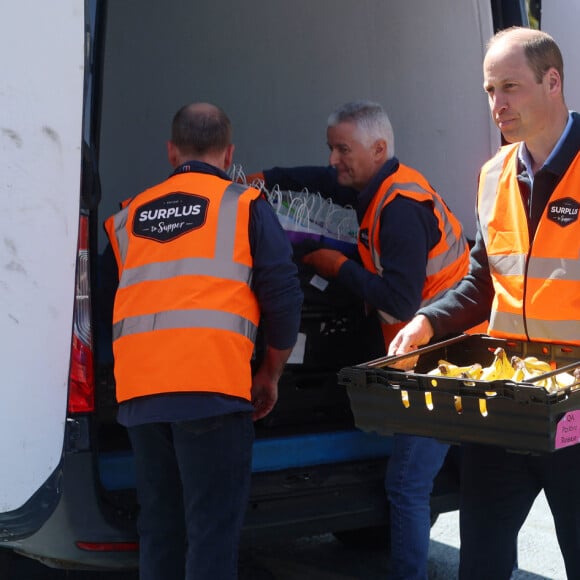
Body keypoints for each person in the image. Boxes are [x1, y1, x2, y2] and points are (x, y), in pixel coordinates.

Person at [249, 100, 472, 580]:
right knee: (454, 479)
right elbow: (323, 179)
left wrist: (338, 266)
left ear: (378, 148)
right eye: (331, 148)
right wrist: (268, 177)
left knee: (408, 484)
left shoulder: (399, 209)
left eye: (342, 150)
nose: (333, 160)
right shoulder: (378, 183)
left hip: (444, 359)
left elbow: (399, 303)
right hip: (437, 352)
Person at [388, 27, 580, 580]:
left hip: (575, 411)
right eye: (489, 90)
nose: (498, 104)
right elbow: (482, 281)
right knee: (481, 562)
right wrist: (426, 321)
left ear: (553, 82)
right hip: (506, 404)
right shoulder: (494, 174)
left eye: (510, 88)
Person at [104, 102, 303, 580]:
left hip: (141, 397)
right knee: (211, 534)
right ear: (229, 152)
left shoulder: (127, 217)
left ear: (171, 152)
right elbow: (284, 296)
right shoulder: (245, 204)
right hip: (212, 392)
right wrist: (270, 373)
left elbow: (112, 300)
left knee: (160, 529)